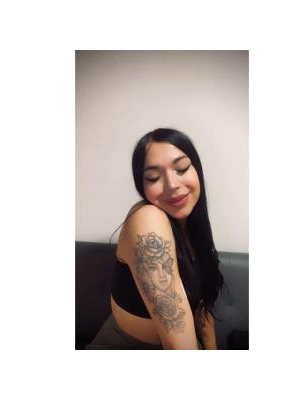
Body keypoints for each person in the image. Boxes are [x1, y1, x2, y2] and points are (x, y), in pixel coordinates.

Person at [87, 128, 224, 350]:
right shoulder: (148, 219)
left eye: (182, 168)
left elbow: (202, 308)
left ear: (196, 169)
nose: (172, 184)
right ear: (141, 185)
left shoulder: (194, 231)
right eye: (153, 177)